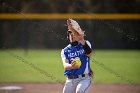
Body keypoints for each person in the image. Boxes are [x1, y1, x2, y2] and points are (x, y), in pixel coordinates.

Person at [61, 19, 93, 93]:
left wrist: (82, 40)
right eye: (70, 35)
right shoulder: (65, 50)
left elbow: (89, 54)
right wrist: (71, 66)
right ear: (68, 37)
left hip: (84, 79)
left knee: (79, 91)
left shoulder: (85, 44)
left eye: (74, 35)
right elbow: (65, 65)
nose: (72, 36)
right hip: (70, 80)